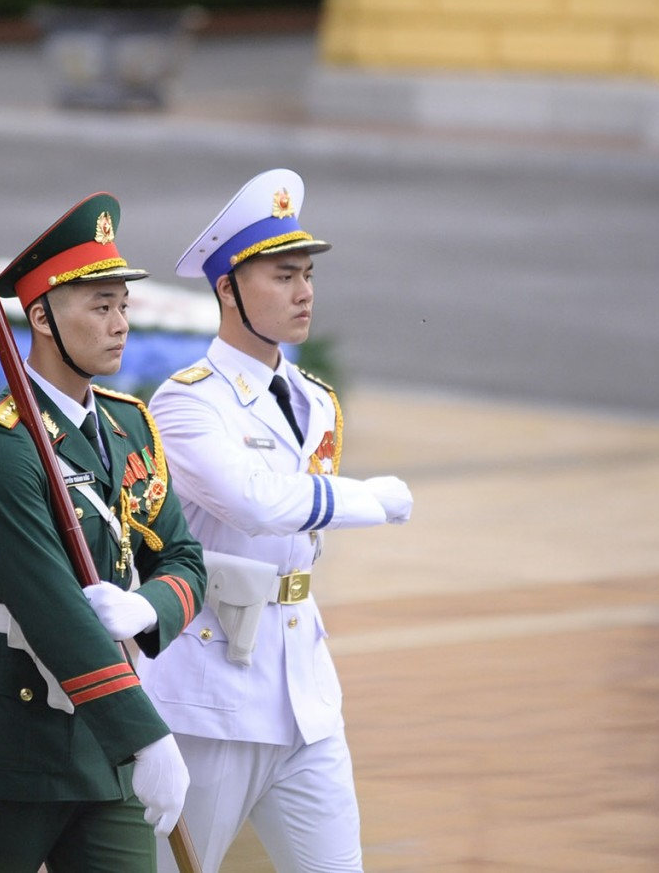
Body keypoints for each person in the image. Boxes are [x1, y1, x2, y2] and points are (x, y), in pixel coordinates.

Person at [0, 193, 207, 872]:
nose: (120, 323)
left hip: (102, 742)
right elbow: (49, 605)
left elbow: (185, 559)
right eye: (99, 305)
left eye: (123, 305)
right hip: (12, 734)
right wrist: (145, 737)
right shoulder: (3, 445)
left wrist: (149, 606)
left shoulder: (130, 426)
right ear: (41, 316)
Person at [137, 169, 414, 873]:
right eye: (283, 276)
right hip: (210, 695)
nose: (304, 291)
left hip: (303, 690)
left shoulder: (315, 399)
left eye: (308, 274)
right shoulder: (187, 402)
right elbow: (256, 502)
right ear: (228, 287)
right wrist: (369, 500)